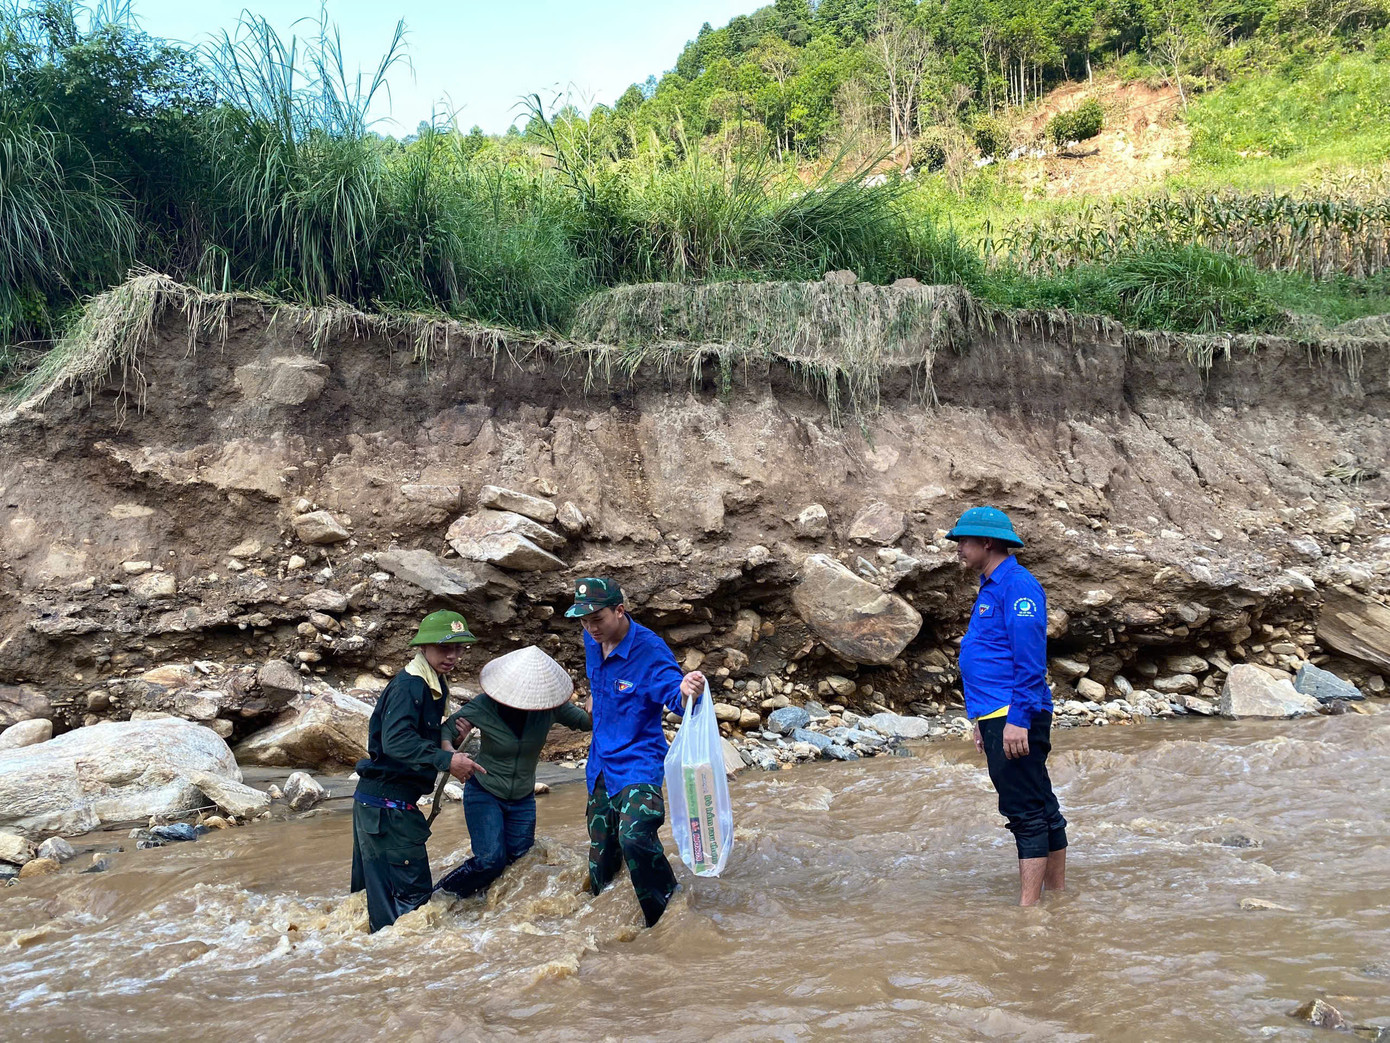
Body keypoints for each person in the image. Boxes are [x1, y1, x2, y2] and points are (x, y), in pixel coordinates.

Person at [946, 506, 1068, 906]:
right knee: (1042, 803)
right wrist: (979, 720)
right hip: (996, 713)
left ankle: (1029, 913)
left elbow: (1030, 659)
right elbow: (989, 656)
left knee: (1024, 811)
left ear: (987, 542)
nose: (959, 548)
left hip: (1013, 714)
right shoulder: (992, 586)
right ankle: (1059, 898)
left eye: (964, 541)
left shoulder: (1018, 586)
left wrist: (1016, 720)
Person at [565, 577, 704, 928]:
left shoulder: (649, 651)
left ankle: (667, 918)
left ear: (620, 610)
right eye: (583, 621)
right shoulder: (591, 638)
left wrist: (688, 690)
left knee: (636, 836)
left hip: (639, 763)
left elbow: (675, 696)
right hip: (600, 765)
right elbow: (599, 682)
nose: (590, 628)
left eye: (597, 619)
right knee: (601, 860)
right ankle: (601, 921)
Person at [350, 610, 485, 932]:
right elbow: (396, 741)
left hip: (380, 809)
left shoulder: (432, 682)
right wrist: (447, 761)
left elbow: (414, 736)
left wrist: (449, 742)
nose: (453, 655)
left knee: (377, 904)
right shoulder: (410, 686)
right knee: (410, 906)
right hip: (389, 811)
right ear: (423, 647)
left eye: (459, 648)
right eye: (444, 648)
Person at [434, 645, 592, 898]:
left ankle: (487, 909)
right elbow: (447, 730)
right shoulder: (485, 705)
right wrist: (451, 753)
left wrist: (598, 697)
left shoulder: (550, 707)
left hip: (522, 798)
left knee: (520, 861)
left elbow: (586, 721)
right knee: (490, 860)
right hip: (485, 791)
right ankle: (439, 897)